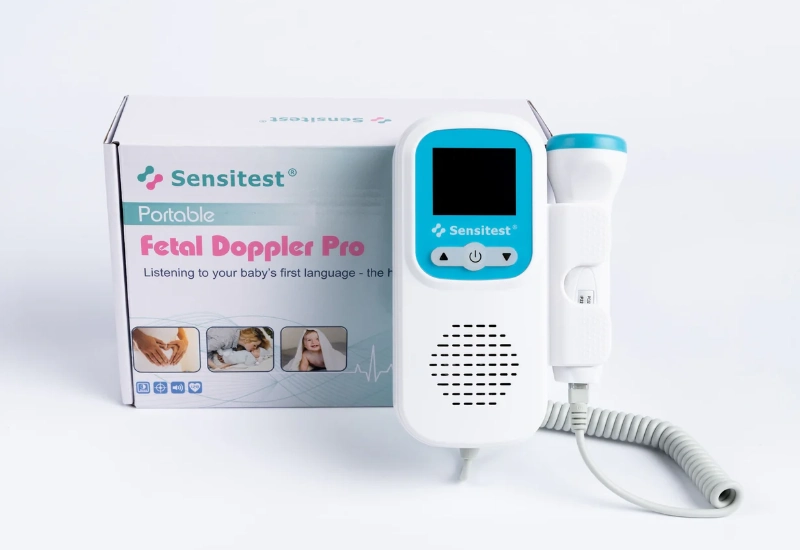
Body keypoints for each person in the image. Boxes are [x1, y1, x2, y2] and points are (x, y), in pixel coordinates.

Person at [206, 327, 272, 370]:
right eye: (255, 345)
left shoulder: (235, 340)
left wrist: (220, 352)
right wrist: (215, 367)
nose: (254, 348)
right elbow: (203, 349)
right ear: (248, 339)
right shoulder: (226, 338)